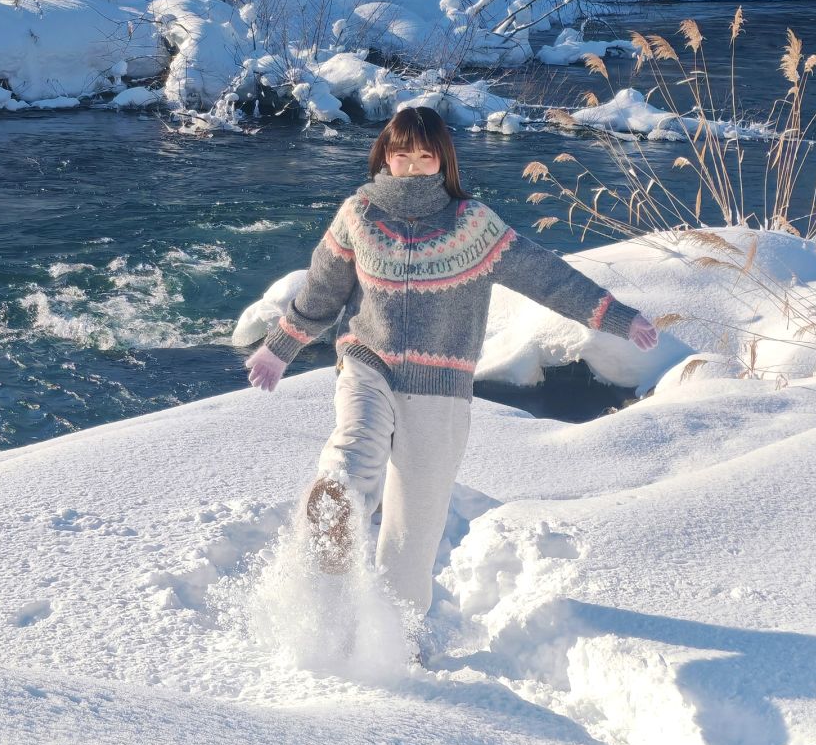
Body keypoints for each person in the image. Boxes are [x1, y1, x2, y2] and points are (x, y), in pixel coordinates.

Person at [245, 106, 658, 635]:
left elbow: (545, 276)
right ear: (385, 157)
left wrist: (614, 316)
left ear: (442, 159)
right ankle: (338, 506)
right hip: (367, 360)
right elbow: (322, 292)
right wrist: (280, 347)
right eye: (401, 155)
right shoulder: (359, 214)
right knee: (355, 444)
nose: (413, 166)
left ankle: (393, 639)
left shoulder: (473, 226)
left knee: (413, 530)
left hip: (441, 388)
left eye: (424, 155)